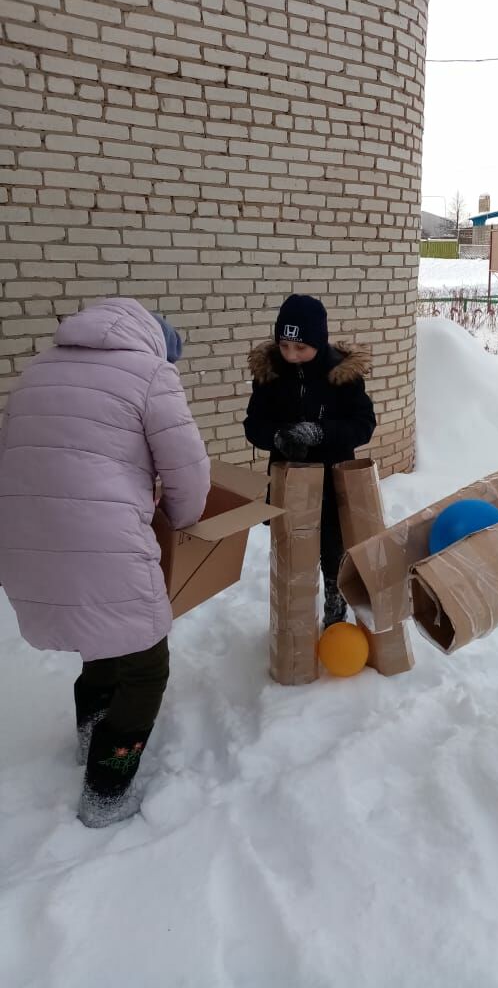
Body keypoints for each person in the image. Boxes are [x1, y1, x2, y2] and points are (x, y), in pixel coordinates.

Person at [0, 299, 210, 827]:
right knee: (145, 666)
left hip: (27, 537)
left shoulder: (39, 370)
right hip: (102, 537)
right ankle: (107, 790)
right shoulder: (151, 373)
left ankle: (91, 732)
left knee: (101, 635)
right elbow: (187, 472)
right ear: (160, 344)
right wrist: (180, 522)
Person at [243, 294, 376, 628]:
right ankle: (295, 620)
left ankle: (335, 596)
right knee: (294, 552)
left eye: (301, 348)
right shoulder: (271, 375)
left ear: (320, 340)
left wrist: (320, 432)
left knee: (334, 546)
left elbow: (363, 425)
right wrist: (276, 436)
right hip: (290, 483)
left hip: (333, 481)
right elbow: (253, 424)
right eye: (285, 346)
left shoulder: (342, 376)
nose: (291, 355)